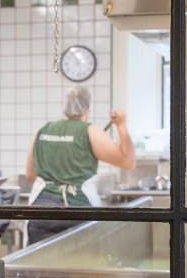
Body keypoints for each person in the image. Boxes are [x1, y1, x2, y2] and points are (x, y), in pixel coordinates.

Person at [25, 85, 136, 244]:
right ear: (88, 107)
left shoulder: (43, 131)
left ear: (65, 107)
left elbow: (30, 175)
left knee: (41, 266)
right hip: (78, 211)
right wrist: (121, 125)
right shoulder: (90, 131)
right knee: (80, 264)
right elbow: (128, 162)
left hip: (42, 211)